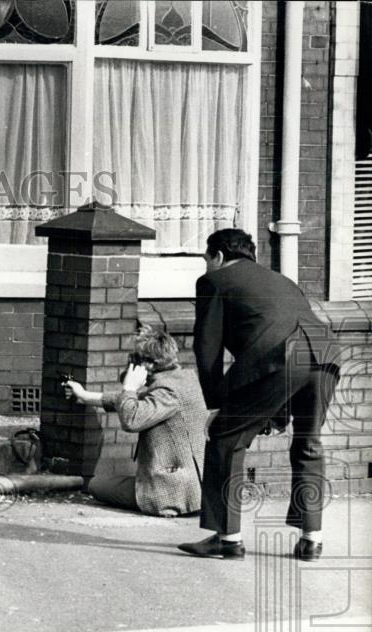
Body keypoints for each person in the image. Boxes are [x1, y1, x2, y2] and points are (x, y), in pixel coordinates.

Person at [179, 229, 341, 561]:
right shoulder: (281, 280)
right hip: (325, 352)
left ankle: (227, 539)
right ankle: (312, 539)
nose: (207, 266)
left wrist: (216, 405)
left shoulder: (214, 282)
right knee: (309, 443)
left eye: (207, 259)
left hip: (280, 357)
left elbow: (207, 348)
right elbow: (280, 329)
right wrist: (274, 410)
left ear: (219, 257)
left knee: (226, 438)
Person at [63, 326, 208, 517]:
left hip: (169, 491)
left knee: (96, 484)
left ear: (148, 364)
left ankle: (166, 506)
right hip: (194, 488)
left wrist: (129, 387)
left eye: (135, 359)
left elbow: (132, 419)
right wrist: (84, 396)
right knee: (114, 482)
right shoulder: (185, 379)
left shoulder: (166, 391)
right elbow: (138, 402)